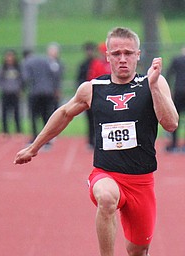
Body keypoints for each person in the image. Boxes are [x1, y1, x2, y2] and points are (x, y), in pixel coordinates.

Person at [14, 27, 178, 256]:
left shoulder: (154, 84)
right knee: (107, 197)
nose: (123, 59)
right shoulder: (92, 89)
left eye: (128, 53)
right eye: (117, 53)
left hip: (141, 180)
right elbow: (64, 114)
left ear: (138, 55)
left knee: (138, 250)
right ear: (107, 56)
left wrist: (153, 87)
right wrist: (34, 147)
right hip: (106, 174)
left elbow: (171, 124)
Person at [22, 42, 64, 143]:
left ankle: (34, 137)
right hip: (48, 92)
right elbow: (56, 76)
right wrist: (56, 89)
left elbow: (25, 77)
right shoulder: (51, 62)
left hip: (35, 92)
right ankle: (46, 138)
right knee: (47, 115)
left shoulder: (28, 62)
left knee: (33, 116)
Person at [76, 42, 110, 148]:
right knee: (92, 120)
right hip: (97, 95)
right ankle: (92, 140)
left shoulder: (108, 64)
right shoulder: (96, 63)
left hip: (107, 96)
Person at [0, 49, 24, 135]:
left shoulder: (18, 68)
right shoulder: (2, 68)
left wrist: (20, 88)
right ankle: (5, 131)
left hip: (15, 93)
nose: (9, 58)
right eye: (8, 56)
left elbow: (22, 79)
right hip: (6, 93)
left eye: (11, 56)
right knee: (4, 113)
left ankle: (18, 130)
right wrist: (4, 87)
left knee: (17, 112)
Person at [165, 46, 185, 152]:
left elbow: (169, 74)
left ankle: (174, 144)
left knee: (175, 118)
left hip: (178, 91)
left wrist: (167, 90)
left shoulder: (177, 60)